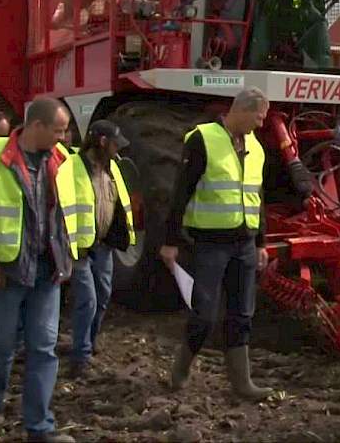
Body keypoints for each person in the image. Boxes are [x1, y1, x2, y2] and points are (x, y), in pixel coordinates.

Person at [0, 98, 79, 443]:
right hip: (8, 270)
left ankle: (40, 426)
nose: (63, 138)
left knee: (43, 348)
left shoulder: (62, 160)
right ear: (37, 127)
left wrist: (67, 257)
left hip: (48, 272)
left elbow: (65, 213)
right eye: (58, 131)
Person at [161, 87, 273, 400]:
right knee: (205, 315)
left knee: (242, 314)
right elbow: (180, 192)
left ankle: (242, 383)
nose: (261, 124)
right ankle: (181, 369)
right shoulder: (202, 139)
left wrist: (261, 241)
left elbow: (257, 197)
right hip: (210, 244)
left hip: (245, 244)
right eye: (259, 117)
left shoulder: (256, 146)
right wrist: (170, 241)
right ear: (242, 110)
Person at [68, 120, 136, 376]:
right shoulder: (73, 167)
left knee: (103, 295)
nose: (118, 149)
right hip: (80, 246)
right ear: (103, 142)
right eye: (115, 143)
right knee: (87, 300)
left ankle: (89, 340)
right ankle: (80, 356)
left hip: (104, 245)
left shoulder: (112, 168)